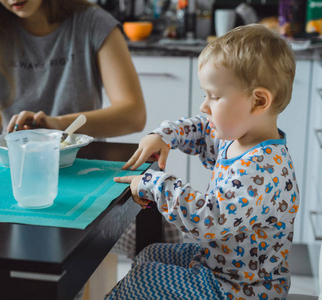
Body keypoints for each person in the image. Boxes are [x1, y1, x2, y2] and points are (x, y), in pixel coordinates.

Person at [108, 24, 300, 299]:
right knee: (150, 252)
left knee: (142, 279)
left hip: (242, 289)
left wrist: (155, 184)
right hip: (218, 266)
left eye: (215, 96)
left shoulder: (264, 167)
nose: (204, 106)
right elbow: (201, 130)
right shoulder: (237, 138)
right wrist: (164, 136)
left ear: (258, 101)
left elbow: (209, 217)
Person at [0, 0, 145, 137]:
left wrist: (56, 124)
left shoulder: (94, 23)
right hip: (18, 163)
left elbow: (134, 115)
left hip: (84, 161)